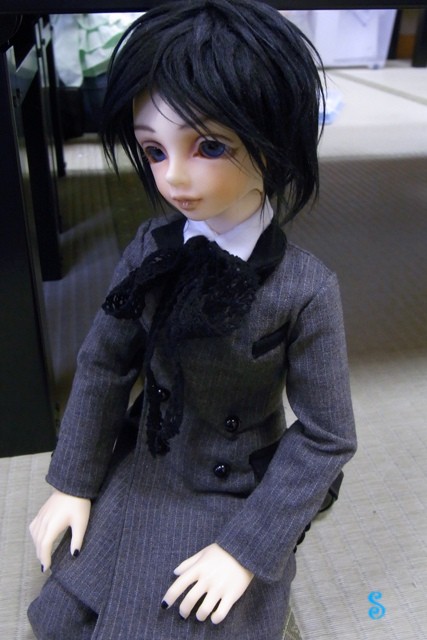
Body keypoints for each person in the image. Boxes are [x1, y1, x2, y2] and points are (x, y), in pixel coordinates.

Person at [28, 1, 357, 638]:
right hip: (150, 459)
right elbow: (103, 365)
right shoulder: (150, 250)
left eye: (209, 146)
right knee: (62, 618)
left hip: (234, 485)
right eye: (154, 150)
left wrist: (245, 549)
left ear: (274, 144)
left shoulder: (305, 287)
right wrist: (73, 481)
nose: (173, 177)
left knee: (188, 621)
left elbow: (328, 435)